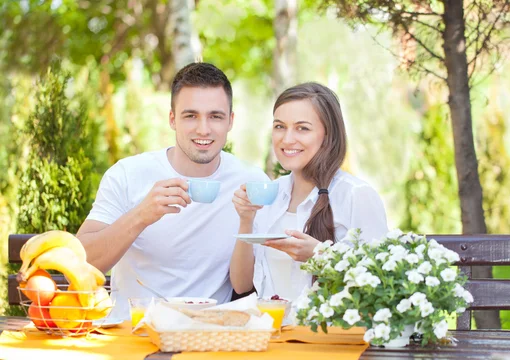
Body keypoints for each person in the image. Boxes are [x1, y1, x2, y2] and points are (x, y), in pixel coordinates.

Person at [77, 62, 269, 320]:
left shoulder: (250, 182)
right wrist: (142, 215)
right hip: (132, 333)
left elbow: (252, 281)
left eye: (215, 116)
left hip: (210, 335)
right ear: (172, 119)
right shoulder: (127, 174)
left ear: (230, 121)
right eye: (191, 115)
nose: (203, 129)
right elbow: (83, 261)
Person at [229, 82, 388, 302]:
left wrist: (321, 256)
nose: (287, 139)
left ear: (328, 135)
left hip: (327, 335)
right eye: (279, 126)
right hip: (273, 331)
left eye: (302, 128)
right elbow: (241, 284)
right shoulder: (271, 194)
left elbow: (383, 284)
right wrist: (246, 220)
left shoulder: (355, 195)